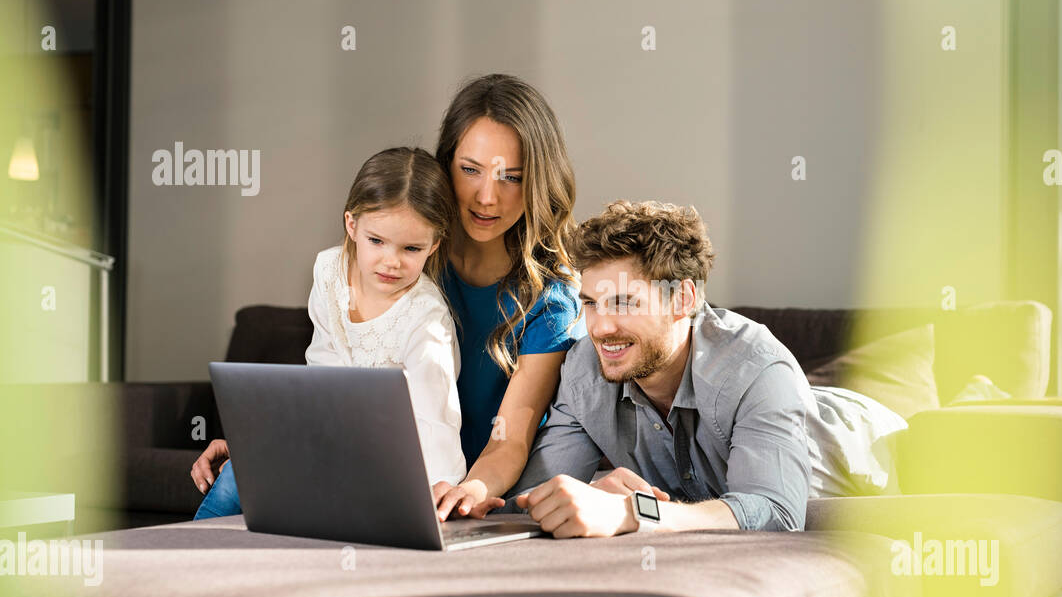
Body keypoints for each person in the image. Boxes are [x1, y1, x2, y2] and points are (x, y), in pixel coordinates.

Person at [190, 74, 584, 519]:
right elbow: (339, 385)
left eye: (511, 177)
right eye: (470, 170)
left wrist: (468, 490)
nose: (486, 197)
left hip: (464, 485)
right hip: (370, 461)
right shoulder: (401, 256)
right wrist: (264, 441)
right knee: (242, 477)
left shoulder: (550, 299)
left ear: (536, 181)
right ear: (445, 164)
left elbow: (510, 439)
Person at [468, 200, 904, 537]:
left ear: (684, 300)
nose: (601, 327)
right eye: (591, 304)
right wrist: (462, 502)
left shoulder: (756, 367)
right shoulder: (585, 366)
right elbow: (531, 500)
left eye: (624, 302)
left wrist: (633, 512)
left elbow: (775, 512)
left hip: (882, 446)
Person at [190, 146, 466, 518]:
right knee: (239, 473)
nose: (391, 261)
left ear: (434, 244)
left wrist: (434, 496)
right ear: (352, 225)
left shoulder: (425, 320)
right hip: (331, 443)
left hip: (390, 468)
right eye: (377, 241)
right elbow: (321, 374)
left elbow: (436, 424)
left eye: (412, 248)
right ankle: (192, 559)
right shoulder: (329, 272)